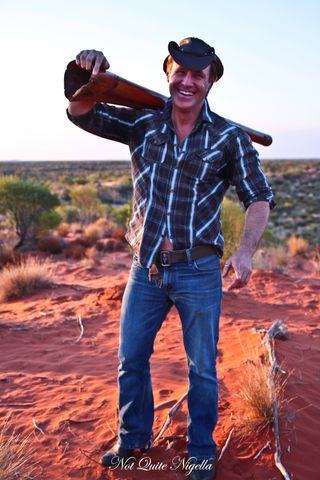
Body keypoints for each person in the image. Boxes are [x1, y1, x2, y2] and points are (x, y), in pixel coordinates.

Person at [67, 37, 275, 480]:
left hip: (199, 270)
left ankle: (200, 450)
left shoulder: (228, 137)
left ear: (210, 81)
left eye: (197, 74)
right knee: (131, 360)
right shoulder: (143, 121)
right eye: (179, 71)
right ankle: (133, 438)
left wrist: (244, 251)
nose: (187, 80)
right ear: (168, 73)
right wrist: (86, 77)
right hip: (145, 269)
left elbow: (259, 196)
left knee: (202, 369)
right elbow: (82, 113)